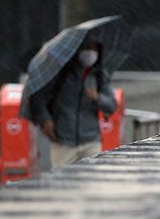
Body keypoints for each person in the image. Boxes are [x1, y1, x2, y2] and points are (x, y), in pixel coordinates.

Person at [27, 38, 117, 168]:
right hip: (63, 141)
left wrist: (97, 97)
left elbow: (111, 106)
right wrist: (45, 119)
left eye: (94, 48)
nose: (90, 52)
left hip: (91, 141)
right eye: (86, 48)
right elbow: (39, 97)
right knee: (62, 180)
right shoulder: (59, 72)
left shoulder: (99, 74)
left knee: (93, 179)